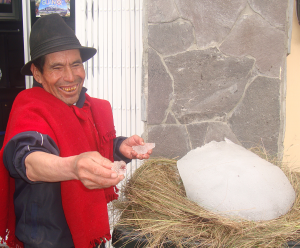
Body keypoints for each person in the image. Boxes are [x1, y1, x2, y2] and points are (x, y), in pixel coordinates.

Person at [0, 14, 151, 248]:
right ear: (37, 73)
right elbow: (27, 158)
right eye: (57, 67)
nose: (70, 77)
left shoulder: (88, 107)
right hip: (45, 239)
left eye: (76, 64)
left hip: (89, 235)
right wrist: (72, 167)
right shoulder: (30, 106)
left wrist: (119, 146)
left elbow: (90, 146)